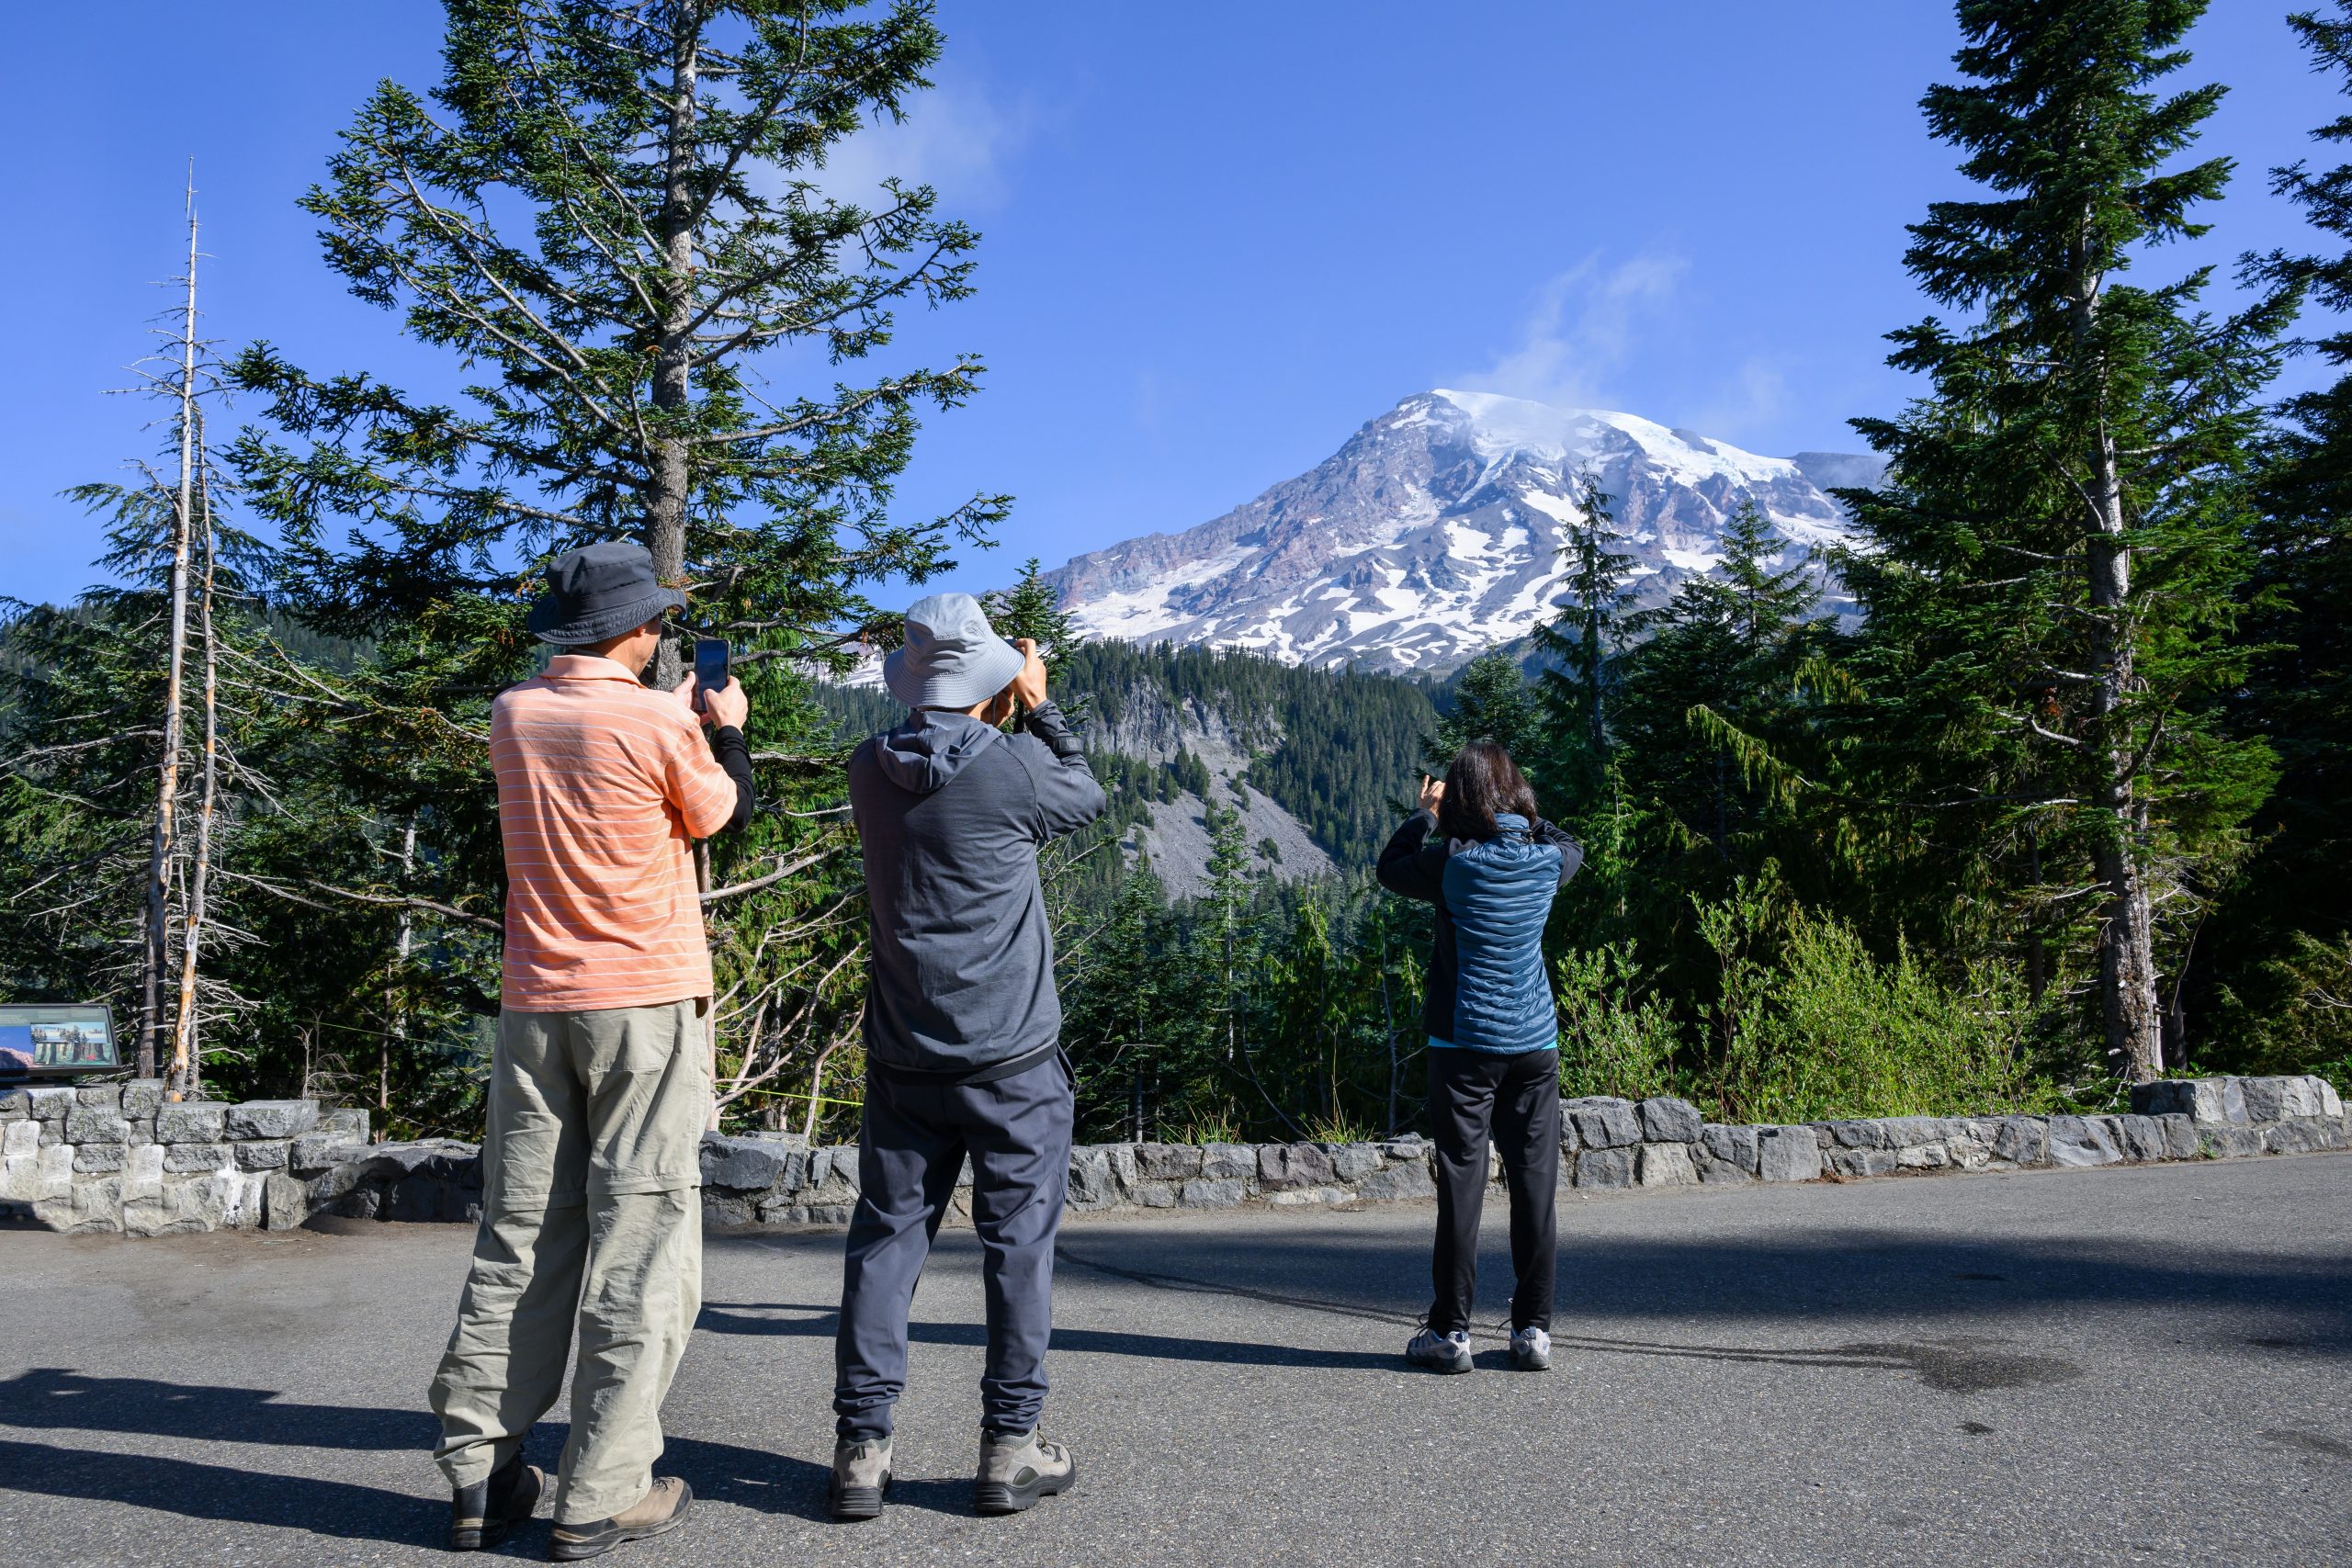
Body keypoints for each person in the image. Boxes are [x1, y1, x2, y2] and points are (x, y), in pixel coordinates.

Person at [429, 540, 754, 1561]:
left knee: (522, 1227)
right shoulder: (659, 716)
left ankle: (482, 1470)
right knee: (642, 1233)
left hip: (536, 1002)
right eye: (654, 620)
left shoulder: (512, 714)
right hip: (644, 1001)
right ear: (638, 630)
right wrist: (726, 732)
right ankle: (603, 1489)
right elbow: (715, 818)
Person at [829, 591, 1105, 1522]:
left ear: (912, 681)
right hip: (1012, 1061)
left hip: (905, 1054)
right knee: (1016, 1249)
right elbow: (1089, 795)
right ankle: (1009, 1447)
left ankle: (862, 1450)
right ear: (989, 681)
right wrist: (1041, 703)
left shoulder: (868, 768)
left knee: (886, 1241)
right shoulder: (1013, 769)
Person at [1375, 739, 1581, 1375]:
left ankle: (1451, 1329)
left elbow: (1390, 866)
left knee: (1463, 1184)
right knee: (1534, 1181)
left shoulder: (1451, 863)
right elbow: (1570, 842)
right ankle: (1533, 1330)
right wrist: (1524, 811)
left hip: (1464, 1044)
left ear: (1460, 800)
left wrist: (1428, 814)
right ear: (1515, 794)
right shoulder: (1547, 859)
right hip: (1533, 1044)